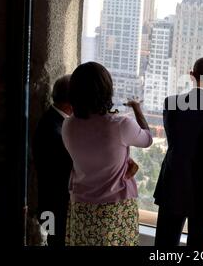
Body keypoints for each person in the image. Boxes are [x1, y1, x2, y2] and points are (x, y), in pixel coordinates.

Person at [62, 62, 153, 246]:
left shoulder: (68, 125)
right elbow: (148, 139)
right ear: (106, 90)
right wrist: (136, 108)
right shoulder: (120, 125)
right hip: (114, 209)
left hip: (81, 207)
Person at [153, 57, 203, 247]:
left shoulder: (171, 103)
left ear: (191, 75)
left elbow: (174, 141)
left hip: (173, 184)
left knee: (164, 245)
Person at [33, 75, 73, 246]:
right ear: (71, 102)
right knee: (57, 241)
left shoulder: (53, 120)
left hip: (50, 206)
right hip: (56, 208)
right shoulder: (55, 131)